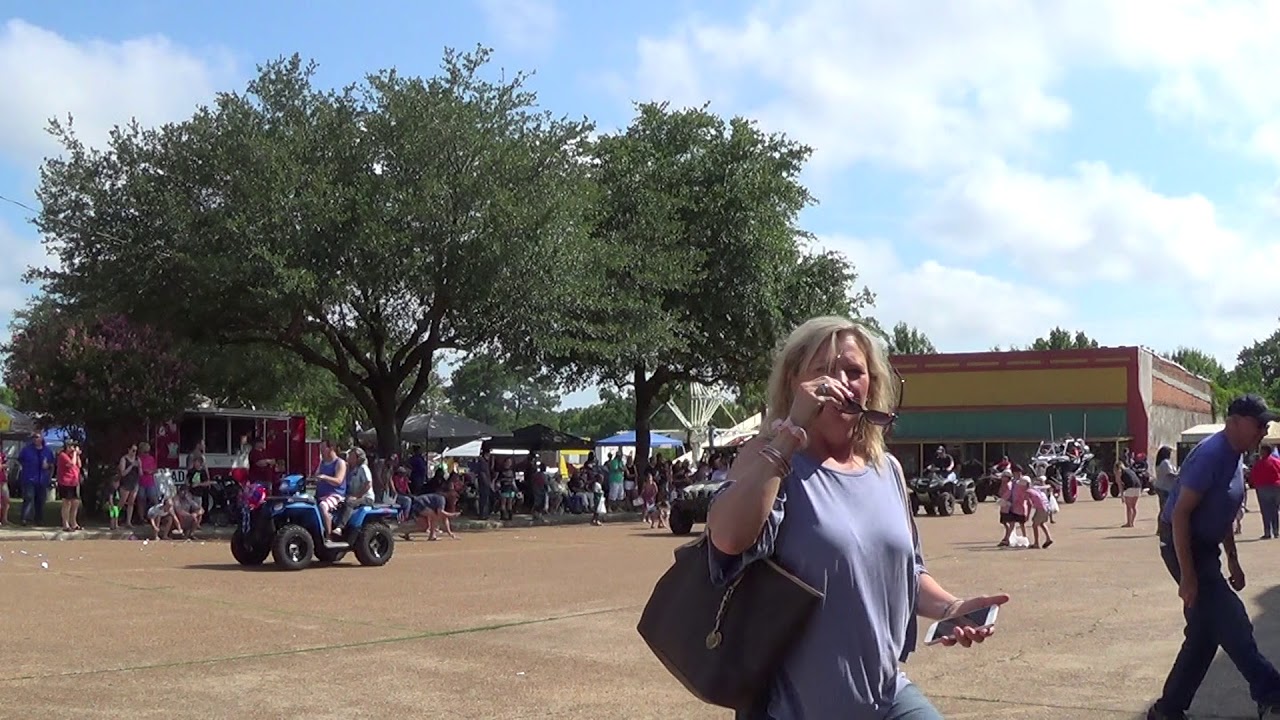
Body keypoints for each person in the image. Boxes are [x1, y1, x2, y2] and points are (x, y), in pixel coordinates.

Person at [707, 316, 1007, 719]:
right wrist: (791, 430)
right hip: (793, 709)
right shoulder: (770, 461)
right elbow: (726, 538)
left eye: (853, 371)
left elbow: (908, 573)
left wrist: (953, 608)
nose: (839, 384)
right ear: (795, 382)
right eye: (822, 373)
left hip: (884, 696)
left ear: (872, 385)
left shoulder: (888, 471)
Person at [1148, 394, 1280, 720]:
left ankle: (1167, 710)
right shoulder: (1211, 455)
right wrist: (1188, 576)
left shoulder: (1236, 456)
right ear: (1234, 422)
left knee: (1204, 635)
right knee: (1232, 620)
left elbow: (1221, 513)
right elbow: (1180, 516)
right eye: (1259, 424)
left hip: (1205, 548)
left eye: (1266, 424)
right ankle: (1272, 694)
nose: (1264, 430)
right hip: (1184, 546)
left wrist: (1232, 559)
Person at [334, 447, 374, 537]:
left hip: (366, 498)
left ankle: (340, 527)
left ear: (358, 458)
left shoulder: (363, 468)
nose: (348, 458)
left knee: (350, 503)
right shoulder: (350, 469)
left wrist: (357, 496)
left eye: (351, 456)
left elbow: (368, 484)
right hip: (351, 495)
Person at [18, 433, 54, 527]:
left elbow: (52, 464)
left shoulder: (47, 451)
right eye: (33, 437)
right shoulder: (26, 450)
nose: (35, 439)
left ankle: (39, 519)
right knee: (29, 497)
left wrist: (48, 466)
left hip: (42, 479)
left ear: (42, 438)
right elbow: (20, 460)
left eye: (37, 437)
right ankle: (24, 518)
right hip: (29, 477)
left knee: (40, 500)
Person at [313, 441, 347, 539]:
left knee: (323, 507)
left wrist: (324, 477)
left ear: (331, 449)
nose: (321, 451)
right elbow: (316, 475)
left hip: (335, 495)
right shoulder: (322, 463)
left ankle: (328, 536)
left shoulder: (340, 463)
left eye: (323, 449)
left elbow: (338, 481)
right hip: (321, 494)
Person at [1249, 445, 1280, 540]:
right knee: (1274, 510)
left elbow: (1253, 476)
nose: (1260, 452)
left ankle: (1268, 532)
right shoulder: (1276, 462)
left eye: (1262, 450)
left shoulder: (1258, 464)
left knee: (1266, 511)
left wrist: (1253, 484)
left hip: (1263, 488)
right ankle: (1276, 531)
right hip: (1275, 487)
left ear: (1266, 451)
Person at [56, 439, 83, 532]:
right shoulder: (63, 455)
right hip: (65, 482)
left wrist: (77, 455)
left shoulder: (73, 456)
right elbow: (71, 464)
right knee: (66, 503)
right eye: (71, 446)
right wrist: (75, 454)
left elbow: (79, 465)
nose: (72, 449)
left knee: (75, 502)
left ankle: (73, 522)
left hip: (74, 482)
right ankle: (65, 524)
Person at [998, 466, 1029, 547]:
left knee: (1021, 523)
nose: (1016, 474)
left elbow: (1026, 492)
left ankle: (1025, 538)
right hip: (1012, 506)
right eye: (1014, 473)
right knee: (1012, 523)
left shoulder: (1023, 481)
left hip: (1020, 505)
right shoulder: (1013, 482)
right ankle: (1007, 538)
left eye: (1017, 472)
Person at [118, 444, 142, 529]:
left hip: (134, 482)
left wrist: (139, 466)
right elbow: (123, 473)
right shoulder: (124, 459)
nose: (134, 453)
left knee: (131, 502)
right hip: (126, 482)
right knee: (122, 501)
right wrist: (131, 466)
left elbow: (141, 473)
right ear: (129, 450)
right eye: (133, 450)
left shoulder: (137, 459)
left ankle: (128, 521)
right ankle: (115, 519)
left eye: (136, 451)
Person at [1153, 445, 1179, 522]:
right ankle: (1162, 527)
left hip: (1161, 486)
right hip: (1165, 488)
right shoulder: (1165, 463)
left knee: (1163, 508)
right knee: (1165, 509)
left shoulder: (1161, 462)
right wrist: (1179, 474)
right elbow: (1170, 474)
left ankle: (1160, 528)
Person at [1117, 461, 1142, 528]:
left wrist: (1122, 496)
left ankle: (1129, 523)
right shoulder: (1129, 470)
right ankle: (1132, 522)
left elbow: (1120, 485)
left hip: (1130, 487)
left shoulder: (1119, 472)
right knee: (1133, 507)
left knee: (1129, 507)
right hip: (1138, 487)